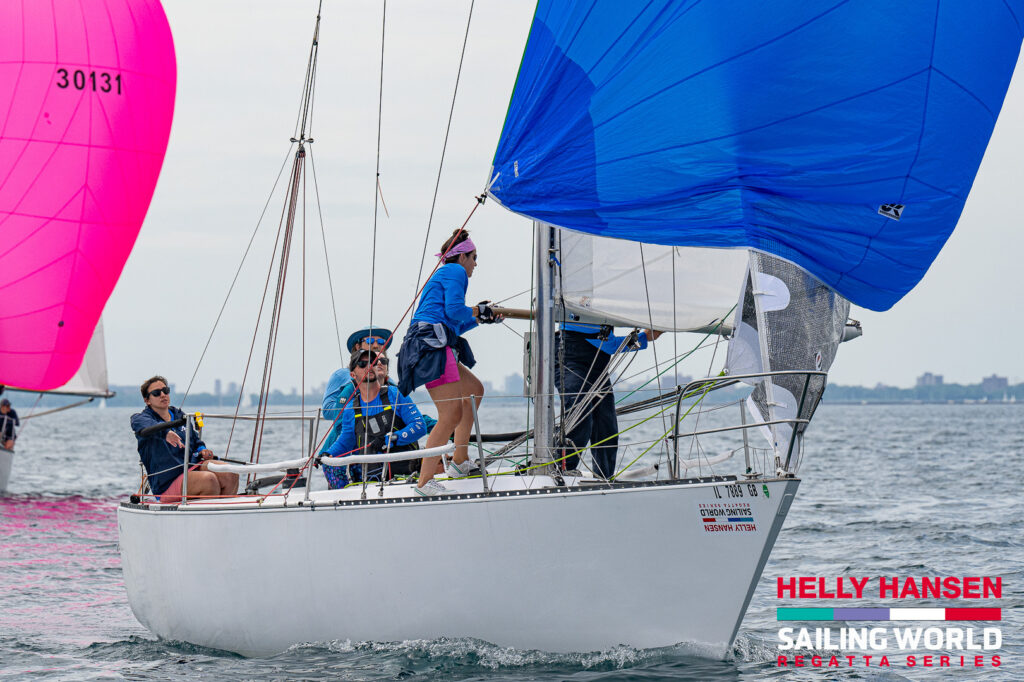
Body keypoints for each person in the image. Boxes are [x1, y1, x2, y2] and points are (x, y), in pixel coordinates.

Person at [397, 228, 501, 496]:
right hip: (430, 346)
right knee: (450, 414)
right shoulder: (454, 272)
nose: (476, 263)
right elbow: (456, 311)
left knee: (475, 391)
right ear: (462, 257)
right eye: (474, 257)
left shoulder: (446, 274)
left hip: (434, 342)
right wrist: (480, 310)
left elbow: (456, 323)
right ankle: (425, 481)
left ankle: (459, 462)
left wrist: (481, 317)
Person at [556, 323, 662, 479]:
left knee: (606, 424)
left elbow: (609, 344)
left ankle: (604, 477)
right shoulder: (578, 314)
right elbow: (610, 346)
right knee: (581, 412)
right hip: (568, 359)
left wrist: (650, 332)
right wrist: (644, 336)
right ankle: (562, 469)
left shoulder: (602, 325)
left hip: (597, 368)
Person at [320, 349, 427, 489]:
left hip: (404, 478)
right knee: (328, 464)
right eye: (362, 364)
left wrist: (391, 439)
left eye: (373, 363)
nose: (369, 366)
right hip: (371, 481)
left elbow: (419, 426)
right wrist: (327, 454)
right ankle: (344, 502)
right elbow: (346, 440)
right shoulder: (351, 409)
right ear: (352, 374)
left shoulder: (395, 395)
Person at [130, 376, 238, 503]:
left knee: (230, 473)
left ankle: (224, 515)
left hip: (191, 467)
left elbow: (196, 441)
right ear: (147, 400)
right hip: (167, 482)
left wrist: (203, 450)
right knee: (209, 480)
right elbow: (143, 425)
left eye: (165, 390)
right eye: (156, 393)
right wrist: (165, 433)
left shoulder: (179, 415)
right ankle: (209, 518)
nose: (163, 395)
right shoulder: (140, 419)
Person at [321, 326, 395, 450]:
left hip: (378, 444)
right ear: (357, 346)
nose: (376, 345)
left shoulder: (389, 382)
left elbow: (403, 408)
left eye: (381, 342)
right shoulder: (342, 375)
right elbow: (327, 411)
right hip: (346, 444)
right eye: (370, 341)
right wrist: (360, 405)